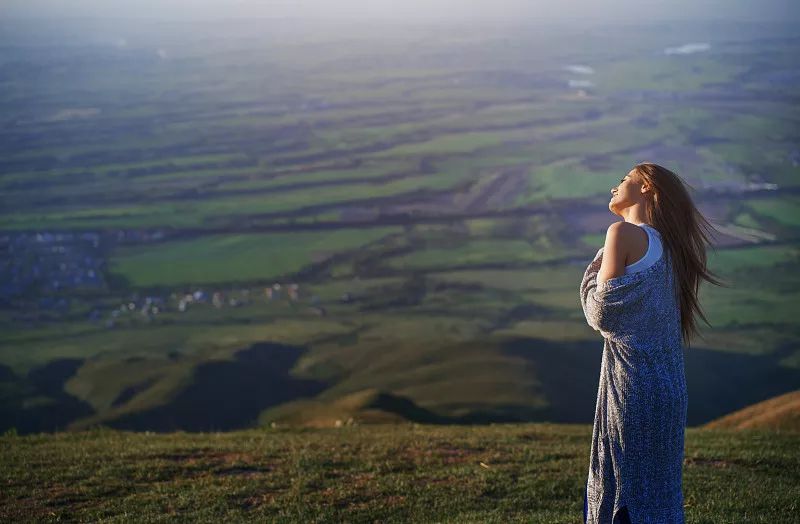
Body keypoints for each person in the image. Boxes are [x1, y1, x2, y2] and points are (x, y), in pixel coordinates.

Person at [579, 162, 727, 523]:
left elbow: (603, 313)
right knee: (658, 494)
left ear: (646, 187)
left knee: (625, 489)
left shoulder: (622, 234)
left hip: (633, 388)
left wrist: (594, 270)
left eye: (624, 179)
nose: (615, 186)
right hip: (669, 389)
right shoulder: (672, 251)